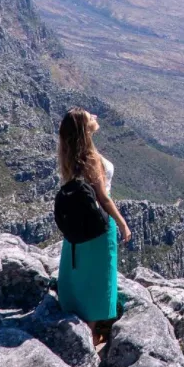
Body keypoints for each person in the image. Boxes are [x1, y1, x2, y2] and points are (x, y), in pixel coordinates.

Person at [56, 107, 132, 345]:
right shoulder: (90, 158)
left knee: (79, 274)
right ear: (84, 127)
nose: (95, 118)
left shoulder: (70, 155)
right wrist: (122, 223)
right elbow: (103, 197)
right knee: (99, 277)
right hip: (99, 226)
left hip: (78, 226)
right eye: (91, 117)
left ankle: (80, 325)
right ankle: (89, 336)